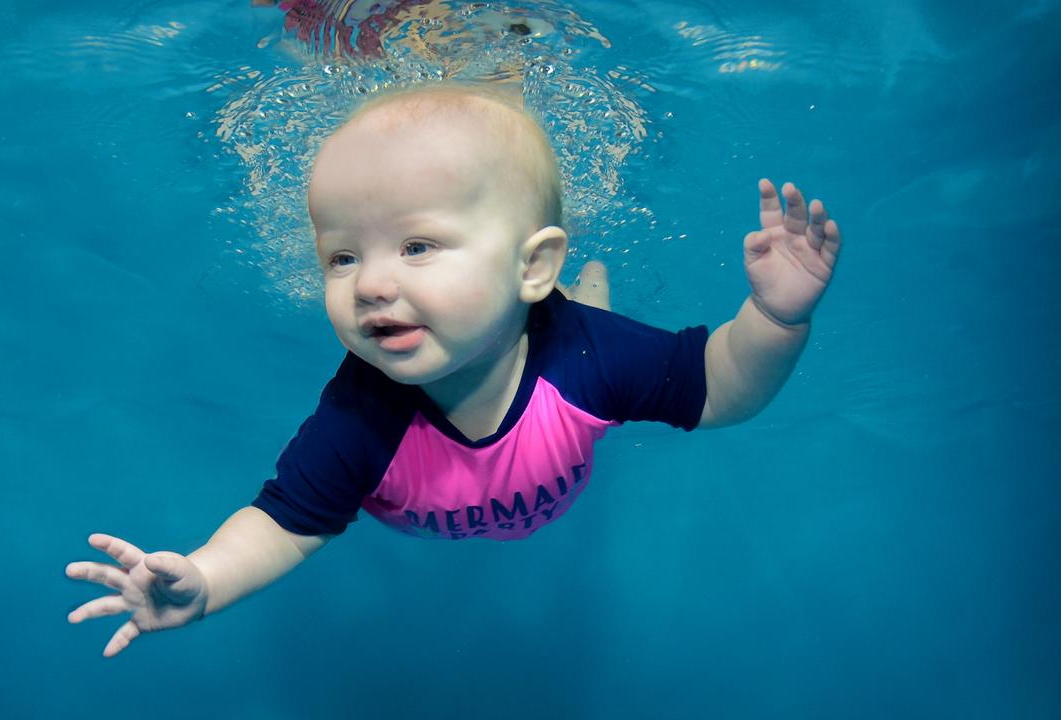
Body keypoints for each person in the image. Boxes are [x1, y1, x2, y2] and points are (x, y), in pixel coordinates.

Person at [65, 84, 842, 657]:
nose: (369, 285)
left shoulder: (587, 358)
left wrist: (774, 319)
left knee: (593, 322)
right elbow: (285, 523)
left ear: (531, 263)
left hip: (566, 352)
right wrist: (201, 581)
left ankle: (581, 286)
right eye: (342, 257)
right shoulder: (360, 417)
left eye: (417, 246)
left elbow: (719, 389)